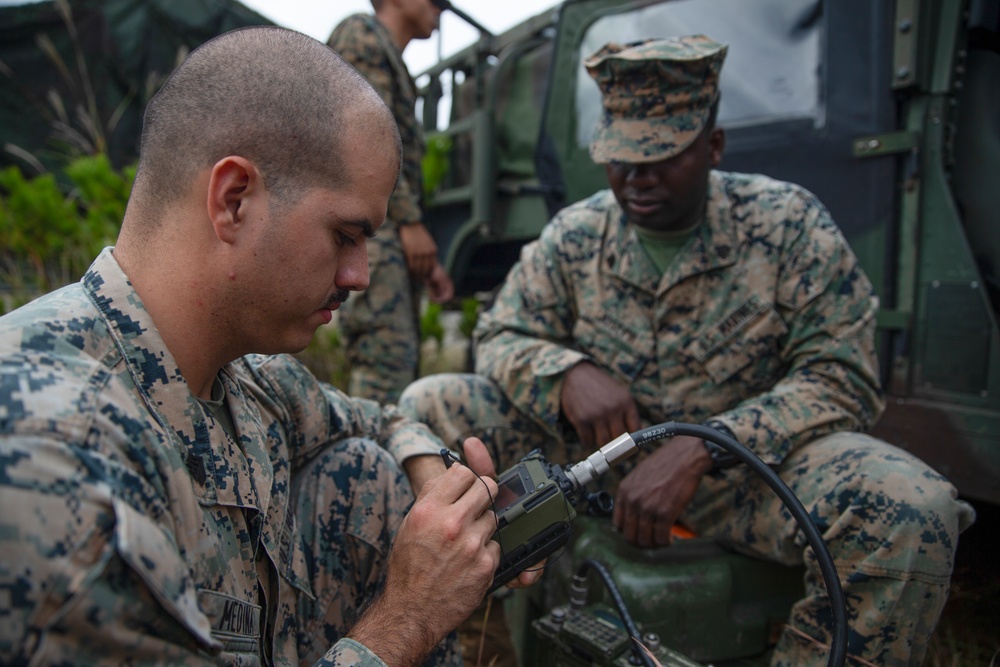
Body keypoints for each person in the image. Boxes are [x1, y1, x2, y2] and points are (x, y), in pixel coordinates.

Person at [399, 35, 977, 666]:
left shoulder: (786, 224)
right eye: (620, 158)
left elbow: (844, 374)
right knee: (432, 408)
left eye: (661, 156)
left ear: (714, 146)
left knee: (913, 506)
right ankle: (479, 632)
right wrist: (565, 373)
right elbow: (499, 334)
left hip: (744, 477)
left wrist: (707, 443)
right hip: (593, 463)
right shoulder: (577, 234)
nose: (637, 178)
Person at [0, 26, 528, 667]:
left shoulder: (243, 381)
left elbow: (381, 420)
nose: (360, 275)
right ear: (234, 201)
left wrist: (429, 478)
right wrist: (410, 616)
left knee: (362, 468)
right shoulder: (55, 457)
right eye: (345, 236)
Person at [327, 0, 454, 404]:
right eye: (436, 2)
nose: (442, 9)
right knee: (382, 379)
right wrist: (410, 223)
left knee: (397, 374)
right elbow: (366, 141)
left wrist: (422, 250)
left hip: (385, 236)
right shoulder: (362, 36)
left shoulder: (386, 54)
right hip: (371, 236)